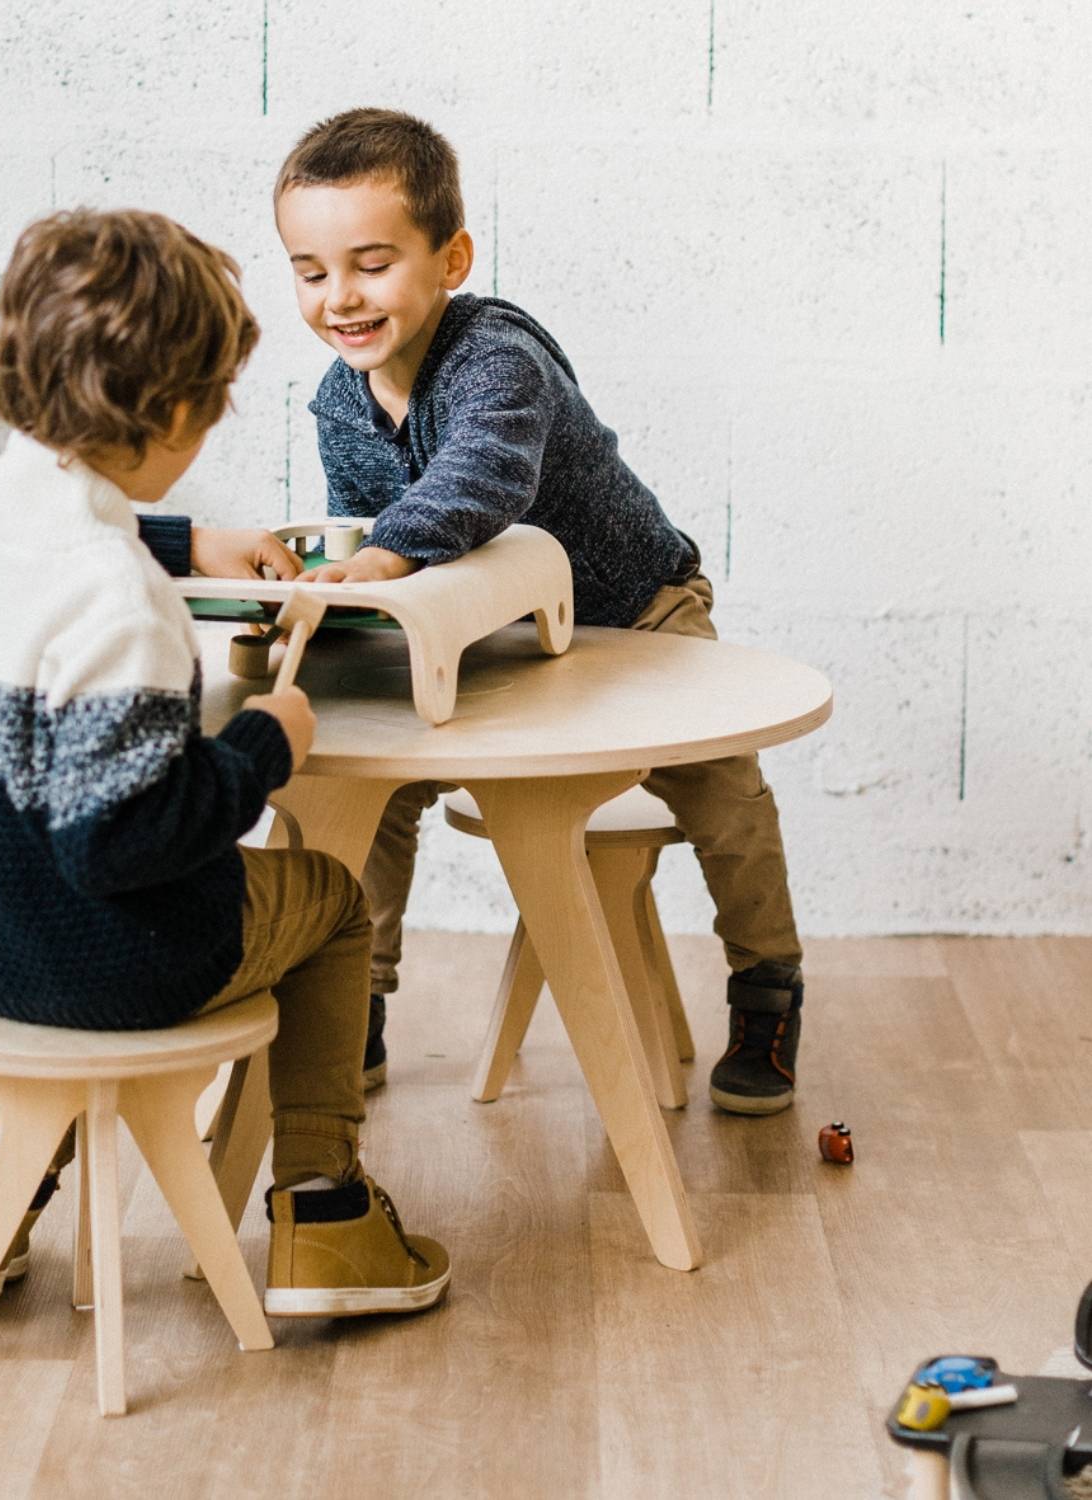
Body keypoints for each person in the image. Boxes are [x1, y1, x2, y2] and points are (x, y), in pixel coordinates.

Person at [0, 206, 449, 1316]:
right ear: (169, 414)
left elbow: (58, 544)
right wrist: (263, 746)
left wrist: (187, 539)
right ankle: (325, 1214)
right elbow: (125, 839)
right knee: (336, 904)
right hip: (107, 960)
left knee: (36, 893)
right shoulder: (125, 608)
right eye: (211, 409)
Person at [274, 108, 804, 1115]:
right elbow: (366, 541)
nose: (339, 297)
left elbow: (482, 479)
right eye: (309, 271)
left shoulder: (494, 355)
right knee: (371, 790)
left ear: (451, 258)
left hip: (634, 612)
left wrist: (386, 553)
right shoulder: (338, 405)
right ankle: (357, 997)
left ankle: (769, 983)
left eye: (372, 264)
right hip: (496, 636)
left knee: (724, 789)